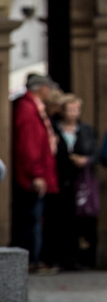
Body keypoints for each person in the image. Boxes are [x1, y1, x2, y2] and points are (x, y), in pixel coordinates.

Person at [12, 74, 59, 272]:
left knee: (34, 219)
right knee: (32, 220)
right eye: (48, 87)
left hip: (38, 171)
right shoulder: (28, 108)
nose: (49, 91)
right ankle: (32, 261)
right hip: (32, 175)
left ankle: (33, 260)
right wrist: (36, 174)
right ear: (40, 88)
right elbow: (29, 145)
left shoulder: (34, 107)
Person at [51, 94, 98, 270]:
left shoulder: (85, 129)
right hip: (59, 177)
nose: (73, 113)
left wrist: (86, 160)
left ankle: (78, 258)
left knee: (80, 220)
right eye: (70, 109)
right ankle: (57, 257)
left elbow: (96, 152)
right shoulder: (54, 129)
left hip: (80, 180)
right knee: (59, 219)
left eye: (76, 110)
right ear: (62, 111)